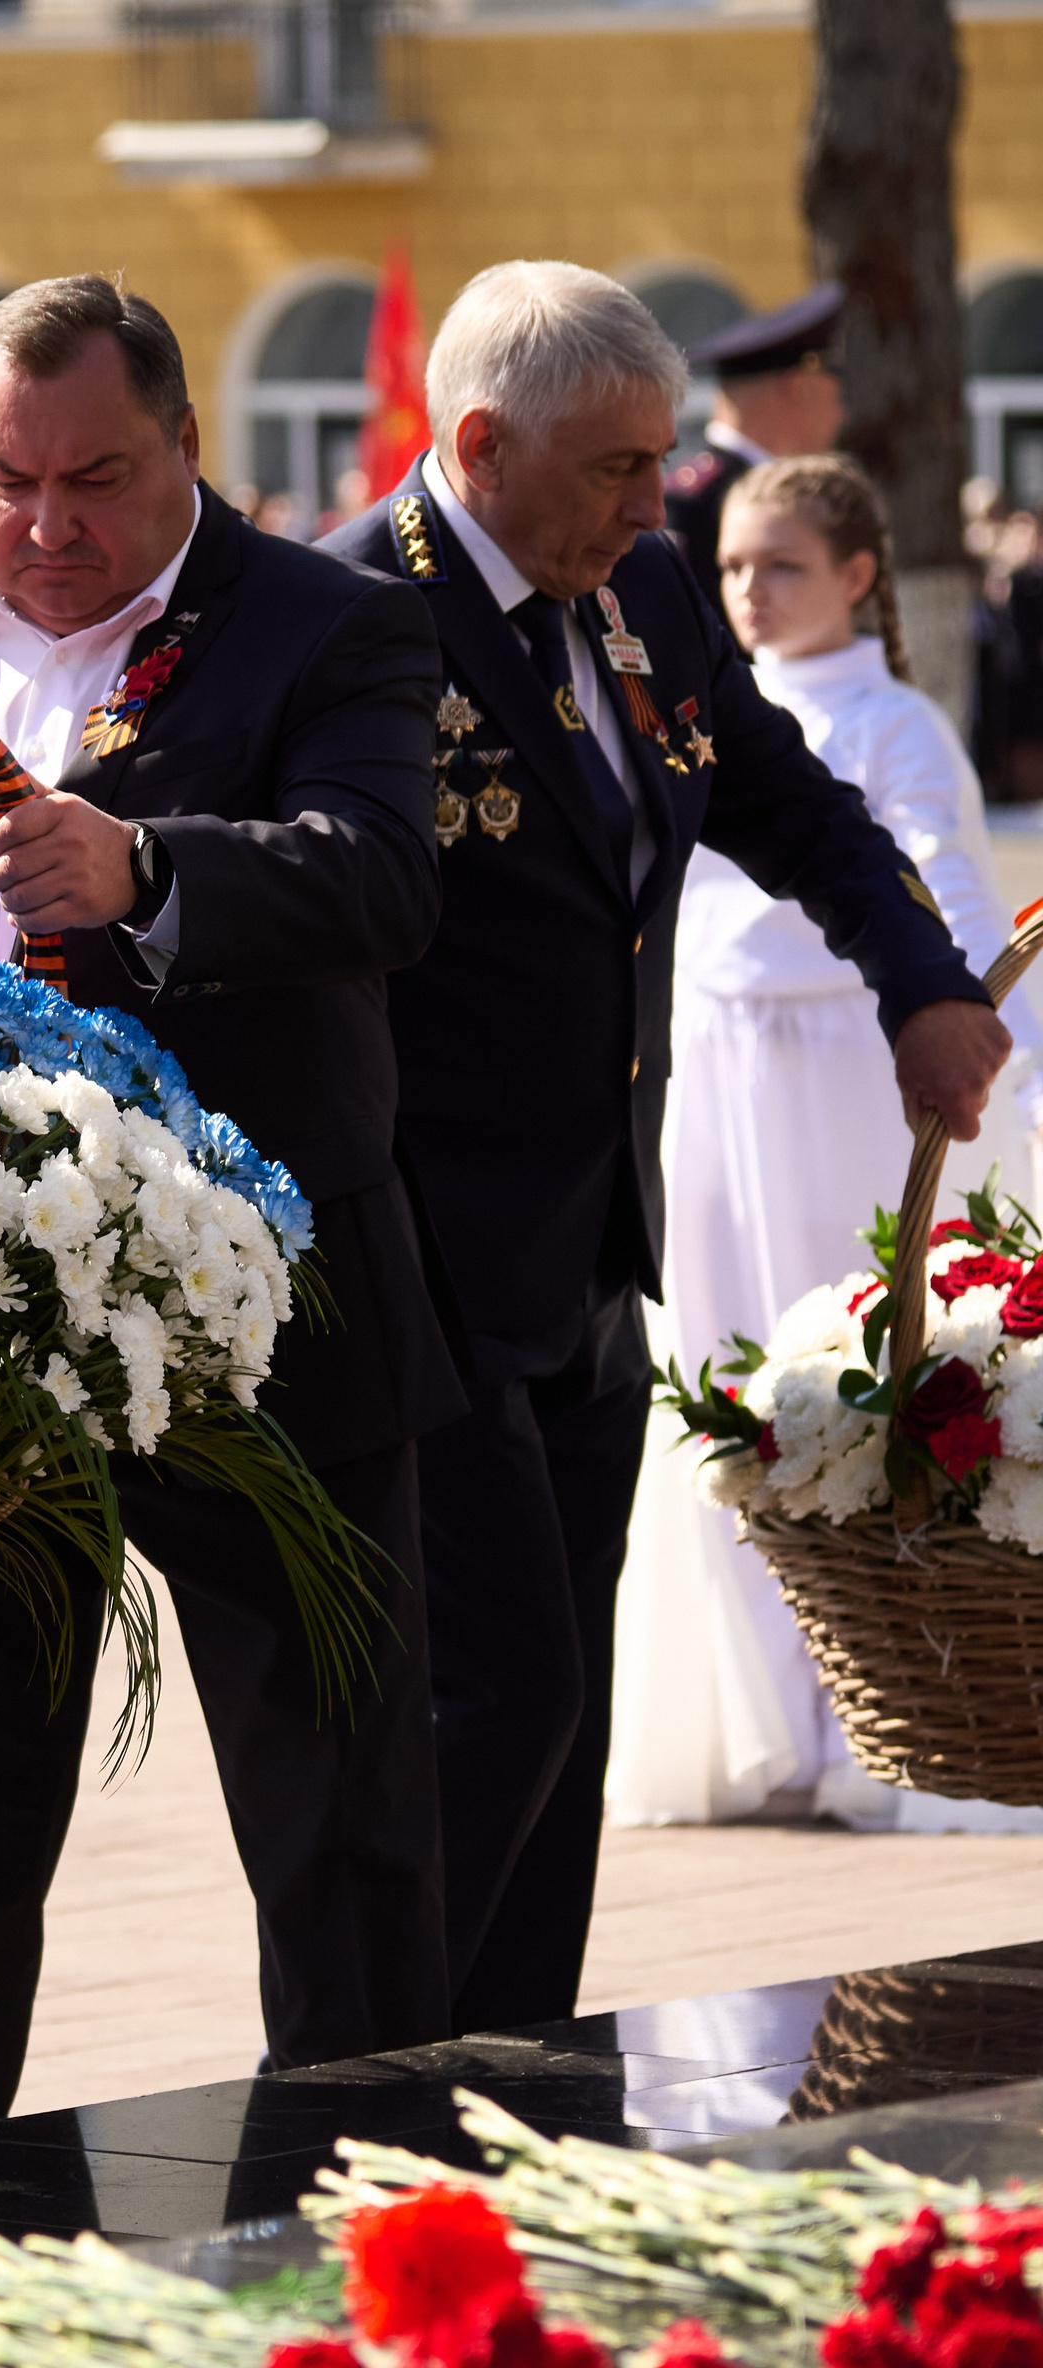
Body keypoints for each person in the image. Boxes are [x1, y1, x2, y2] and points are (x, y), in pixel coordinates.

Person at [0, 274, 463, 2125]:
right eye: (2, 478)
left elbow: (383, 880)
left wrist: (149, 870)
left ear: (186, 447)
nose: (45, 526)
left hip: (267, 1325)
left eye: (97, 478)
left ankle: (365, 2217)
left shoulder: (333, 625)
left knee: (339, 1821)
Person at [321, 263, 1008, 2035]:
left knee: (566, 1712)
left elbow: (792, 808)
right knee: (505, 1691)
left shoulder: (636, 593)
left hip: (595, 1242)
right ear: (476, 446)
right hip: (410, 1251)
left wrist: (923, 985)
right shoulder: (335, 615)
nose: (658, 501)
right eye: (617, 469)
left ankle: (517, 2079)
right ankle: (365, 2078)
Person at [611, 454, 1043, 1832]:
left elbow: (939, 884)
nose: (749, 590)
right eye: (732, 565)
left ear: (859, 574)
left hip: (841, 1083)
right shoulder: (680, 702)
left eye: (782, 564)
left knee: (845, 1364)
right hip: (718, 1076)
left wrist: (973, 1042)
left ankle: (882, 1707)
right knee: (724, 1369)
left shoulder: (897, 720)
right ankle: (754, 1720)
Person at [660, 284, 846, 629]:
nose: (840, 415)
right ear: (798, 388)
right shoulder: (693, 502)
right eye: (836, 397)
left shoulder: (716, 490)